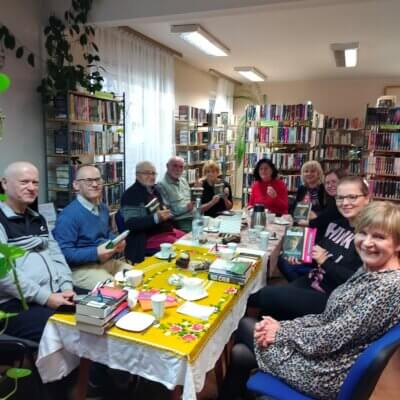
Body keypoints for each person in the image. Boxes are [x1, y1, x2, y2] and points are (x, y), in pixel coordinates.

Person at [218, 201, 400, 400]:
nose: (366, 242)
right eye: (362, 233)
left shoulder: (388, 286)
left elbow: (332, 337)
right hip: (327, 357)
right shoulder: (370, 270)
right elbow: (328, 318)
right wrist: (282, 327)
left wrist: (281, 332)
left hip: (327, 372)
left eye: (379, 237)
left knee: (245, 325)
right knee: (241, 352)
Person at [250, 176, 370, 318]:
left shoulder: (370, 237)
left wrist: (325, 262)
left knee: (265, 294)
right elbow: (317, 257)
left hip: (331, 296)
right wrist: (304, 258)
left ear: (367, 198)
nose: (345, 203)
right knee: (268, 311)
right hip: (312, 280)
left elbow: (361, 282)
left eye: (352, 197)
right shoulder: (335, 224)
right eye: (340, 198)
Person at [0, 162, 74, 342]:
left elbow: (56, 254)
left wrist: (66, 286)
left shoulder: (36, 217)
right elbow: (3, 274)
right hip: (14, 304)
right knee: (73, 329)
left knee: (98, 310)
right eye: (24, 182)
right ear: (4, 183)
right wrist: (46, 298)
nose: (31, 187)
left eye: (35, 182)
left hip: (53, 291)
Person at [53, 165, 126, 291]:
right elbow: (63, 254)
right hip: (80, 269)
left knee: (137, 276)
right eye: (88, 180)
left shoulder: (103, 208)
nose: (95, 184)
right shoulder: (68, 216)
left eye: (98, 180)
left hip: (106, 263)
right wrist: (96, 253)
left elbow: (106, 232)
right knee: (116, 289)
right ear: (76, 185)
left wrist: (117, 240)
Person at [119, 161, 184, 264]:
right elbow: (130, 223)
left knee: (189, 240)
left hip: (164, 231)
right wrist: (156, 218)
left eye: (153, 173)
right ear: (137, 175)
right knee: (182, 248)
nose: (151, 176)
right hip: (146, 238)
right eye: (146, 173)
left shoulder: (155, 190)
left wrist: (167, 214)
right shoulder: (130, 195)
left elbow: (162, 210)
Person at [298, 168, 348, 242]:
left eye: (334, 182)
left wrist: (310, 221)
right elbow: (326, 216)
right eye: (327, 183)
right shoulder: (332, 199)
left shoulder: (344, 202)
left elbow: (326, 218)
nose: (330, 185)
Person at [157, 156, 194, 232]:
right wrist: (186, 208)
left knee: (218, 226)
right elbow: (167, 212)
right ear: (167, 166)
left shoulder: (183, 181)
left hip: (194, 216)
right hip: (180, 222)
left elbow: (189, 201)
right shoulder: (161, 185)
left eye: (181, 167)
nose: (178, 169)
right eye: (175, 165)